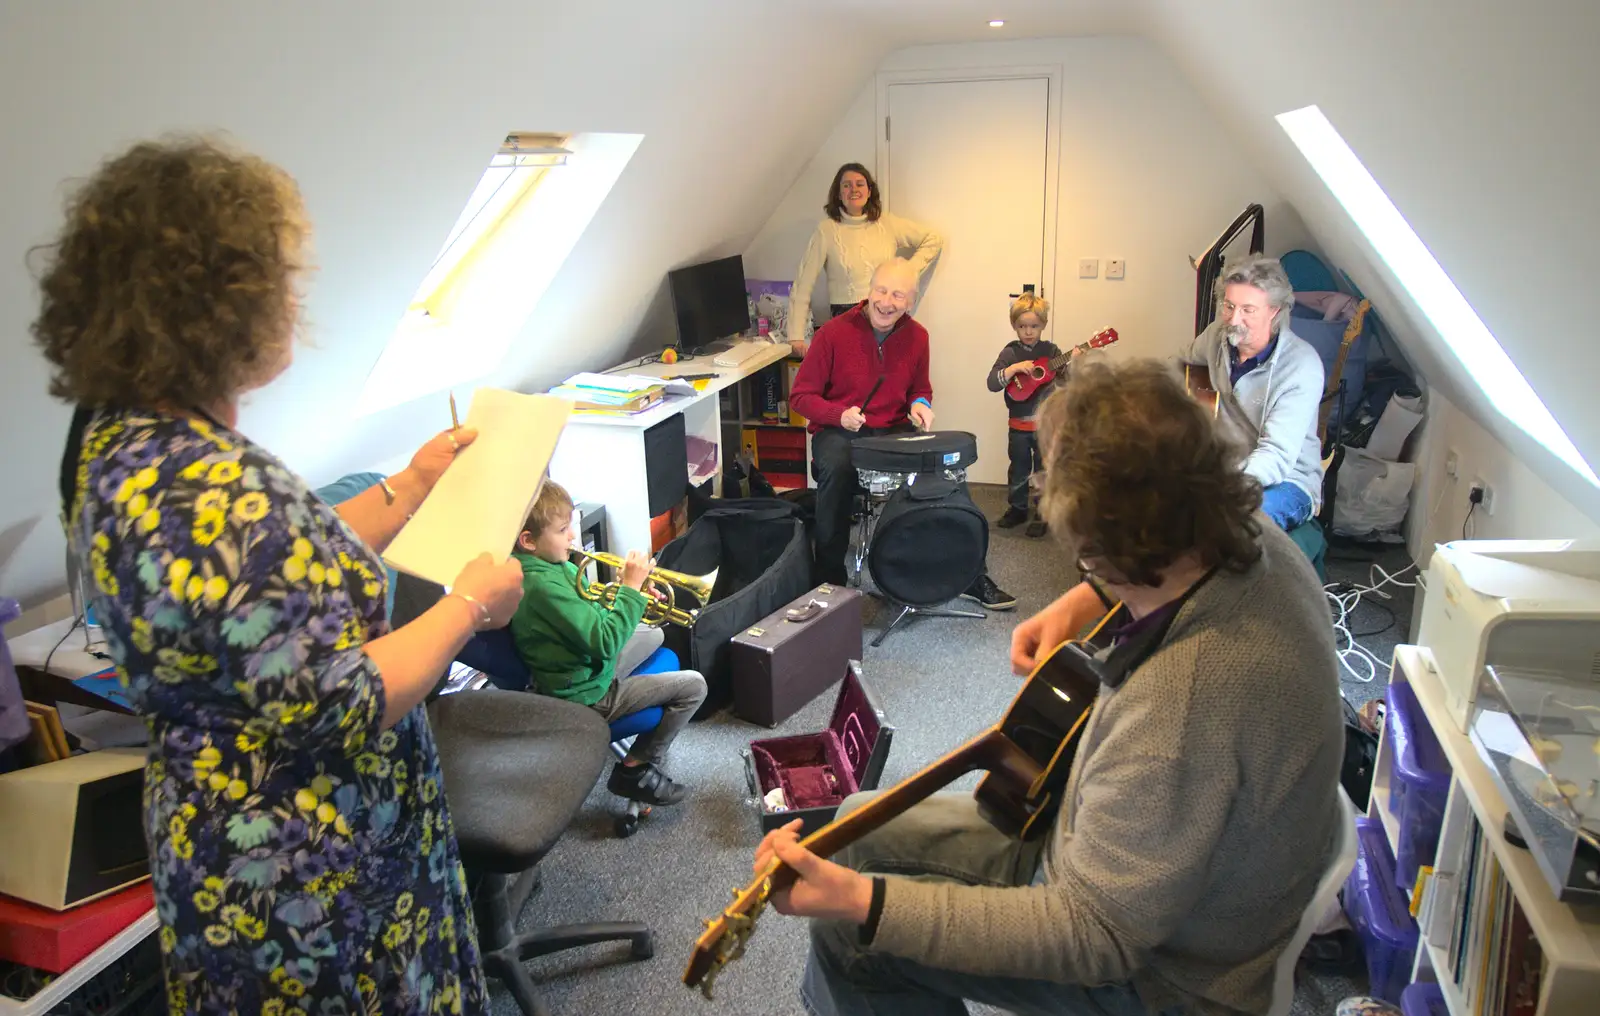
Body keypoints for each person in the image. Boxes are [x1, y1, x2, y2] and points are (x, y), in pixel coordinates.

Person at [35, 137, 527, 1014]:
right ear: (215, 308)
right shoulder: (224, 490)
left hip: (217, 853)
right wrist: (467, 605)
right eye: (278, 279)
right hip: (319, 880)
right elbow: (341, 700)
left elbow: (261, 598)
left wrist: (408, 487)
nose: (295, 298)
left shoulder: (118, 443)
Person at [752, 358, 1345, 1016]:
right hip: (1146, 862)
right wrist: (1085, 600)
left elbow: (1093, 939)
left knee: (850, 932)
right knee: (851, 824)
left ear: (1098, 547)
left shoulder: (1183, 708)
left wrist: (862, 904)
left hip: (1167, 977)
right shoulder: (1251, 533)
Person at [789, 258, 1015, 610]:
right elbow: (800, 397)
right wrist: (839, 414)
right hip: (842, 429)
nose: (887, 302)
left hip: (894, 430)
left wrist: (921, 405)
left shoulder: (917, 336)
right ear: (869, 290)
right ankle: (829, 579)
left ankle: (969, 574)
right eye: (881, 290)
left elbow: (919, 388)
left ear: (909, 301)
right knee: (837, 471)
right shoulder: (831, 334)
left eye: (898, 295)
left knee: (950, 471)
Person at [508, 481, 706, 806]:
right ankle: (637, 766)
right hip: (585, 694)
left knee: (654, 633)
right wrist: (630, 590)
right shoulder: (542, 587)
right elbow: (605, 641)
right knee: (694, 687)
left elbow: (591, 613)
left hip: (582, 664)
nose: (573, 535)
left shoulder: (556, 566)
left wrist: (627, 593)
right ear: (528, 541)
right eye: (562, 530)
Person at [1182, 256, 1326, 530]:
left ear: (1274, 310)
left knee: (1234, 524)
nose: (1234, 319)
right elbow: (1179, 368)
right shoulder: (1216, 336)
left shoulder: (1301, 366)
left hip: (1287, 480)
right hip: (1223, 466)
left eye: (1248, 310)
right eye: (1229, 306)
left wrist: (1219, 483)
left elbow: (1276, 456)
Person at [788, 163, 943, 348]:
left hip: (886, 312)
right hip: (846, 320)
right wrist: (795, 335)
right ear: (838, 194)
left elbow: (933, 239)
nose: (854, 189)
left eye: (860, 184)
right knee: (850, 376)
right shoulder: (826, 231)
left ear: (869, 191)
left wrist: (906, 273)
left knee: (889, 374)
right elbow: (803, 284)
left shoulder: (887, 223)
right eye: (846, 185)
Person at [987, 291, 1079, 535]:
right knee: (1018, 468)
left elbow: (1067, 381)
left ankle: (1042, 513)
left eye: (1034, 326)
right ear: (1015, 326)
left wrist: (1070, 365)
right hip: (1017, 426)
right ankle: (1017, 509)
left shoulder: (1051, 352)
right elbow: (992, 383)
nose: (1028, 332)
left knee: (1043, 470)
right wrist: (1015, 368)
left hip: (1044, 426)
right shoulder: (1010, 353)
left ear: (1043, 325)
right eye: (1022, 326)